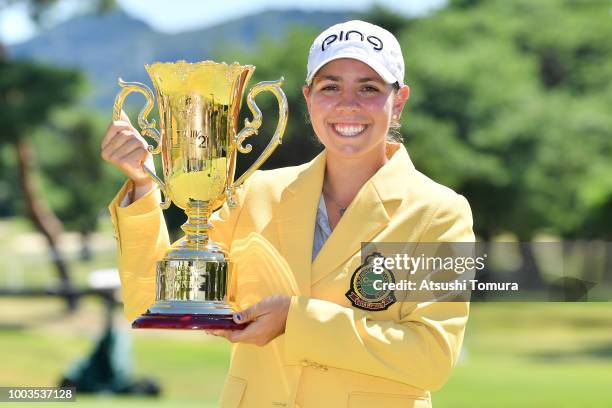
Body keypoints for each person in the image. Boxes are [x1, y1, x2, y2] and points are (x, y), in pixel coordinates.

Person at [102, 20, 474, 408]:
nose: (348, 103)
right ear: (308, 97)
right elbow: (153, 298)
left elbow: (432, 358)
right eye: (331, 87)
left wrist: (295, 322)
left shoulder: (441, 212)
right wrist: (143, 185)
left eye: (369, 88)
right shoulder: (255, 193)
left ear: (398, 102)